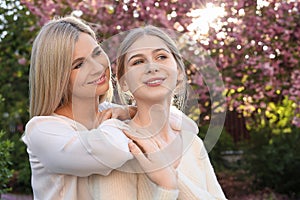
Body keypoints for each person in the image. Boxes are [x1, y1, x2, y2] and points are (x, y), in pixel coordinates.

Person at [22, 16, 178, 200]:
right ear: (57, 77)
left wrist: (133, 112)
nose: (97, 67)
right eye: (78, 65)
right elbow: (109, 152)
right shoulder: (43, 130)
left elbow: (177, 123)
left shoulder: (114, 113)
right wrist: (131, 117)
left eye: (97, 53)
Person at [112, 25, 227, 199]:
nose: (151, 67)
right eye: (138, 61)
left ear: (179, 72)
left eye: (161, 57)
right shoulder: (119, 147)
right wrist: (168, 186)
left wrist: (173, 180)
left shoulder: (193, 143)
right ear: (124, 82)